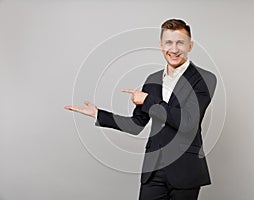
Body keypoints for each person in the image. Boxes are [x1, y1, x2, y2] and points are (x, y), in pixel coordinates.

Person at [65, 18, 217, 200]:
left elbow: (188, 122)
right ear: (161, 46)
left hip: (185, 169)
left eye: (180, 43)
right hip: (153, 170)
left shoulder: (205, 78)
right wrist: (98, 114)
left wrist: (148, 101)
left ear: (190, 46)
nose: (174, 49)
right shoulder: (152, 80)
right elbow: (136, 125)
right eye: (168, 43)